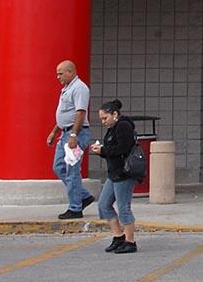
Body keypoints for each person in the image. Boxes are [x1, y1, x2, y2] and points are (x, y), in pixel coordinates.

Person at [46, 60, 94, 219]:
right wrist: (54, 132)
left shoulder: (79, 88)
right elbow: (65, 114)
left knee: (72, 170)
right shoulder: (67, 89)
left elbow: (80, 113)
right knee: (59, 167)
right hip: (65, 133)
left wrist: (74, 135)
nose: (58, 77)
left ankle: (75, 208)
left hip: (76, 134)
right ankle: (83, 196)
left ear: (70, 72)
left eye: (60, 73)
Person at [90, 99, 139, 254]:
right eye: (102, 119)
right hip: (114, 173)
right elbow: (113, 150)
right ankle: (118, 236)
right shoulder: (113, 128)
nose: (103, 122)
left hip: (124, 173)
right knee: (103, 205)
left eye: (105, 118)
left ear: (115, 114)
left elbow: (123, 149)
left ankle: (130, 242)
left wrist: (103, 151)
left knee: (124, 208)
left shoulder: (123, 126)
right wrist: (103, 150)